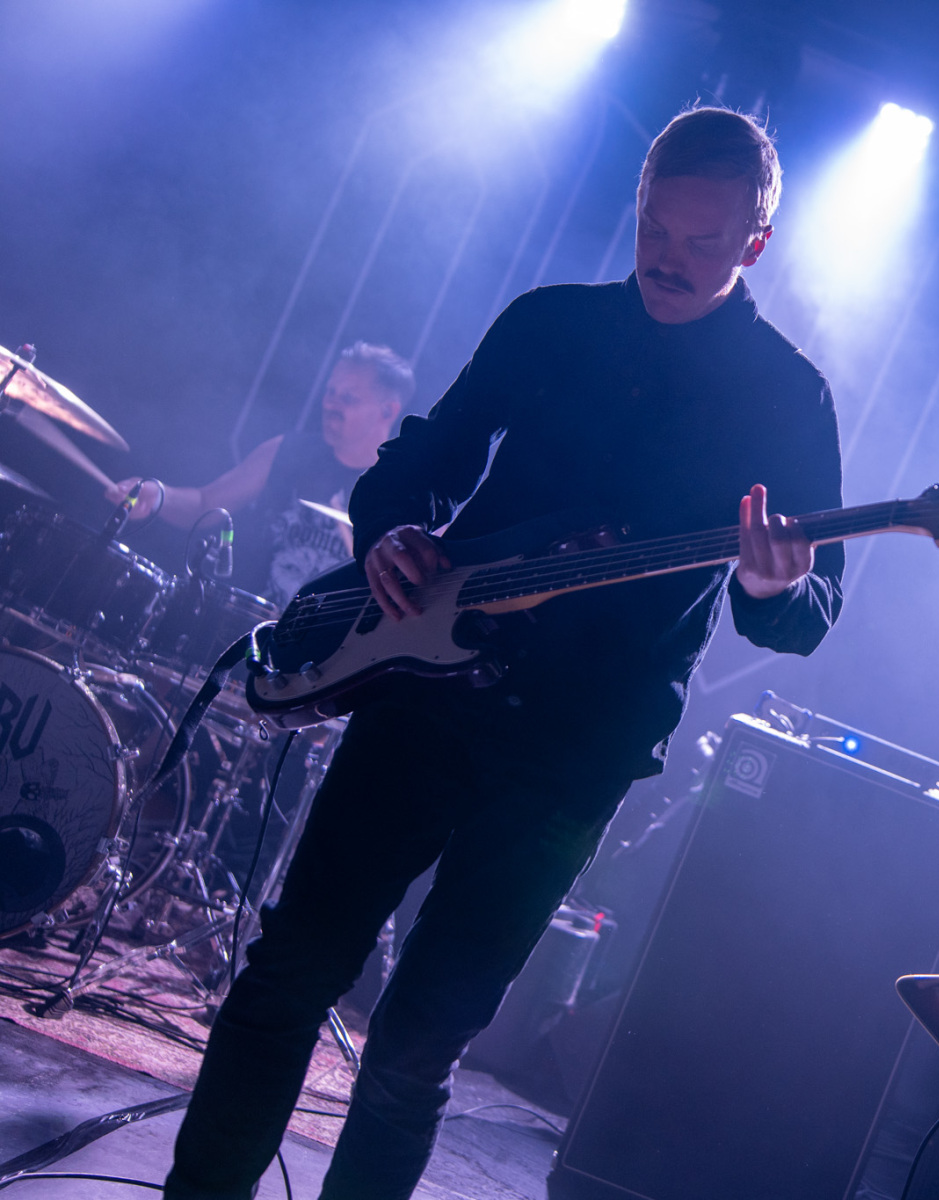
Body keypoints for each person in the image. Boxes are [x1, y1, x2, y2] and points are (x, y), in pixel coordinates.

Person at [162, 106, 845, 1199]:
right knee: (286, 976)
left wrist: (773, 583)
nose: (667, 259)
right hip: (422, 697)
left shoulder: (787, 395)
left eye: (702, 242)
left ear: (755, 243)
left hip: (572, 756)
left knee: (414, 1049)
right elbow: (423, 458)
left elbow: (805, 612)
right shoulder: (551, 323)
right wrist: (391, 528)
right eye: (653, 228)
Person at [107, 342, 412, 605]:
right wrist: (159, 496)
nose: (331, 404)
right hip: (246, 627)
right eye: (330, 392)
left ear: (388, 411)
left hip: (329, 648)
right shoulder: (287, 451)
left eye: (348, 398)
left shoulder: (401, 490)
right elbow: (205, 504)